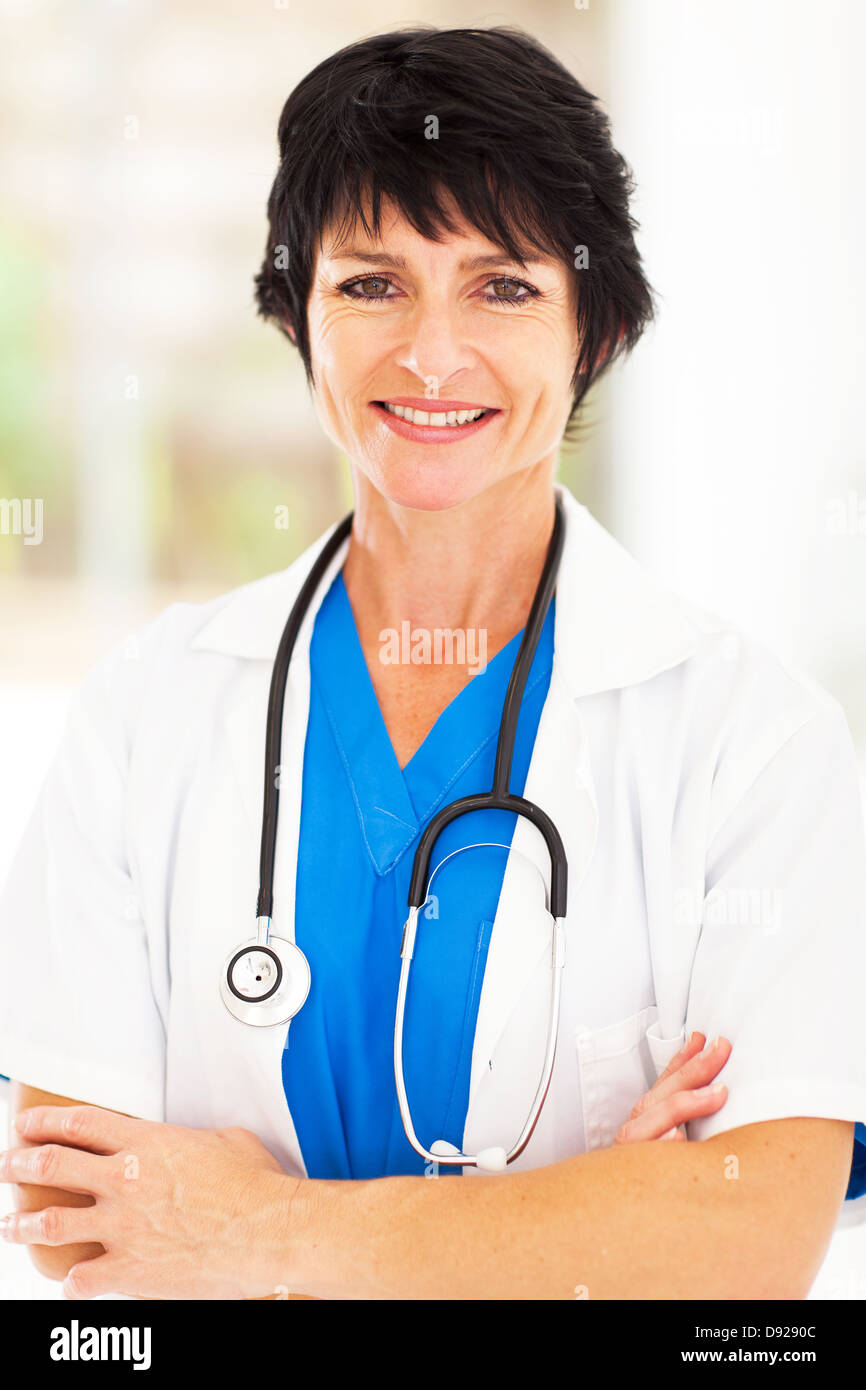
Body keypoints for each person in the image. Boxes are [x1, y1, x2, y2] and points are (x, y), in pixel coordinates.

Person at [0, 26, 864, 1302]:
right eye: (370, 284)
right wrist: (579, 1224)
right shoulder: (147, 714)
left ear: (598, 328)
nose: (431, 355)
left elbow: (745, 1238)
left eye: (502, 286)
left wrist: (250, 1227)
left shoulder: (751, 744)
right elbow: (76, 1220)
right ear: (298, 316)